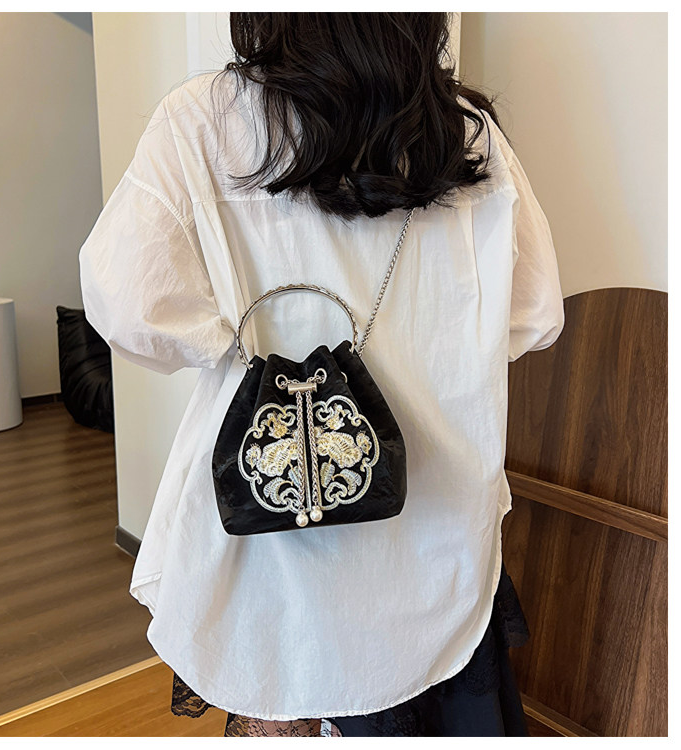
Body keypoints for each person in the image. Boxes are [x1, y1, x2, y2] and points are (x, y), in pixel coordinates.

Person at [78, 12, 564, 737]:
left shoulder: (203, 121)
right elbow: (532, 316)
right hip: (436, 533)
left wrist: (231, 343)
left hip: (272, 556)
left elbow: (127, 303)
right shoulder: (466, 135)